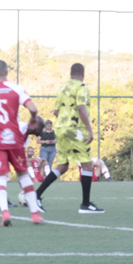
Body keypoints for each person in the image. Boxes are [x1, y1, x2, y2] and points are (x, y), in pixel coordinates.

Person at [0, 60, 45, 226]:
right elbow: (33, 109)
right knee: (23, 174)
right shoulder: (16, 88)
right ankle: (35, 214)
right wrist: (33, 118)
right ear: (7, 72)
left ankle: (5, 213)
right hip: (14, 138)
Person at [33, 63, 104, 214]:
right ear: (83, 74)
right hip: (76, 130)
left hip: (61, 129)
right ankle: (85, 204)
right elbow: (81, 107)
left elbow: (55, 111)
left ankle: (36, 195)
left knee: (62, 166)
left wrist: (65, 123)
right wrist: (89, 129)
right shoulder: (82, 87)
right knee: (87, 165)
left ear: (70, 73)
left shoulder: (63, 87)